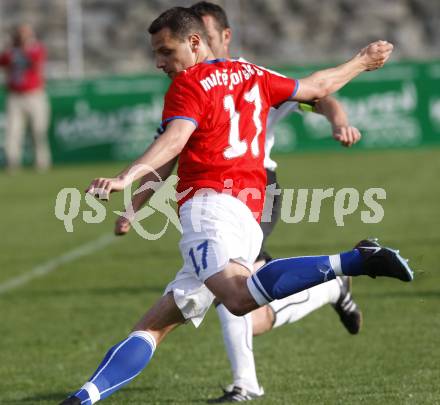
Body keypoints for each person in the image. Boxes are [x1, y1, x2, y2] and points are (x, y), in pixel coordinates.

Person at [59, 7, 412, 405]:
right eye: (156, 54)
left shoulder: (188, 84)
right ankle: (84, 397)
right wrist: (362, 61)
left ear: (196, 43)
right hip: (245, 211)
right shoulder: (254, 75)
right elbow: (317, 86)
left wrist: (124, 179)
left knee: (239, 299)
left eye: (165, 52)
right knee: (157, 324)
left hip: (210, 207)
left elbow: (174, 142)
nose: (159, 63)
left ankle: (352, 262)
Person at [115, 2, 364, 401]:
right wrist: (136, 203)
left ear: (218, 38)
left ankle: (245, 384)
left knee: (231, 291)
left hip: (256, 190)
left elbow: (320, 95)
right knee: (248, 307)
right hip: (214, 192)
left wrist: (338, 121)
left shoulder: (255, 76)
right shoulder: (192, 86)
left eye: (210, 37)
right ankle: (331, 286)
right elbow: (173, 150)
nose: (203, 47)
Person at [0, 24, 51, 171]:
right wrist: (10, 49)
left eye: (25, 34)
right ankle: (12, 163)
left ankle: (41, 163)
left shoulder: (36, 48)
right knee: (13, 131)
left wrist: (22, 50)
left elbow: (35, 61)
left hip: (34, 94)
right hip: (15, 96)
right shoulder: (11, 52)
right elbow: (3, 61)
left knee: (38, 131)